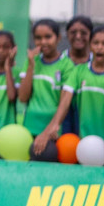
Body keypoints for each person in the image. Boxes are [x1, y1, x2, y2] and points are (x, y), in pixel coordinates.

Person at [43, 25, 104, 161]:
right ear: (90, 46)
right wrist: (55, 124)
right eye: (95, 43)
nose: (100, 47)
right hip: (83, 143)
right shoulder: (78, 71)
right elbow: (66, 99)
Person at [19, 19, 66, 160]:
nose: (43, 42)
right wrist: (31, 66)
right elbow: (22, 97)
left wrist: (48, 131)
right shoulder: (31, 61)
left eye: (48, 37)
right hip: (30, 128)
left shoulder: (67, 65)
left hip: (53, 131)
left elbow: (65, 103)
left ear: (58, 38)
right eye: (38, 38)